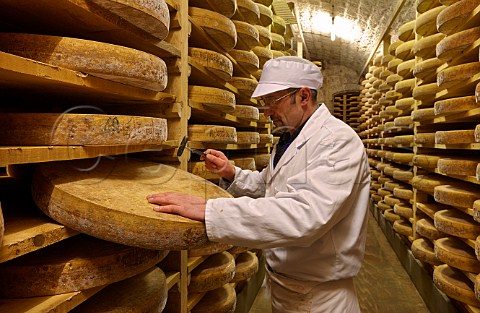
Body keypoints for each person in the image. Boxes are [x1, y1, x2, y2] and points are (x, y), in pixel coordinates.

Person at [147, 56, 371, 313]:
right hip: (285, 285)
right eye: (264, 103)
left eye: (271, 101)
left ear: (304, 96)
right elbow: (271, 185)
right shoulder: (289, 137)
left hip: (322, 297)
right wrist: (231, 173)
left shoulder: (337, 142)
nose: (266, 111)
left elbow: (305, 215)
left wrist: (213, 211)